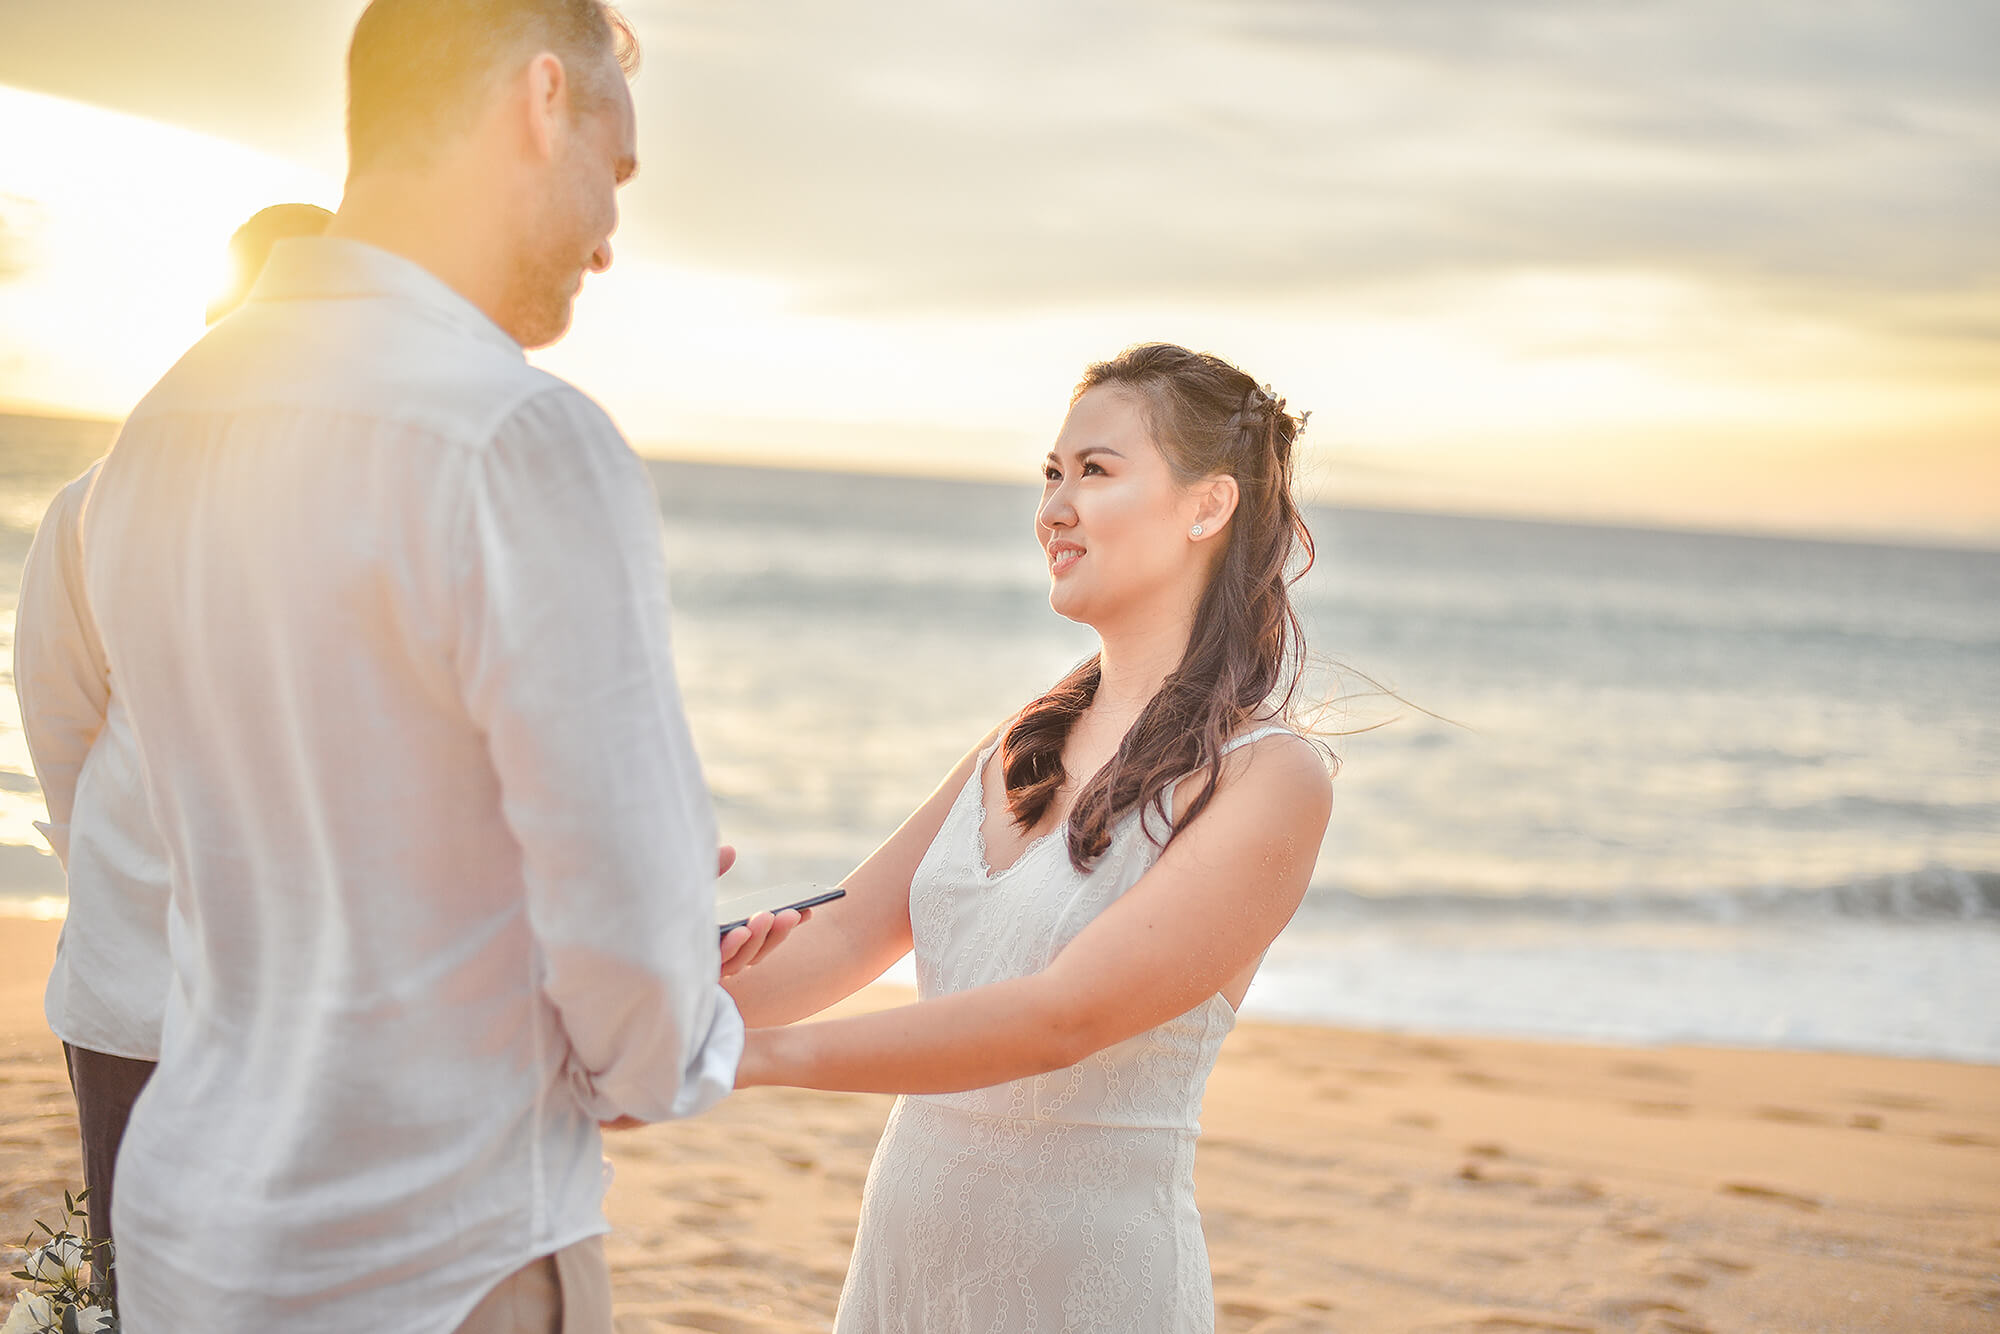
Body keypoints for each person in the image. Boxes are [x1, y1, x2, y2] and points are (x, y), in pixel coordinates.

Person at [77, 2, 800, 1329]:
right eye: (615, 166)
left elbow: (270, 828)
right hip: (436, 1247)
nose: (611, 233)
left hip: (193, 1231)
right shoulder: (521, 438)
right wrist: (673, 1032)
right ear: (539, 101)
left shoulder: (161, 428)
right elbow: (632, 955)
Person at [721, 342, 1335, 1331]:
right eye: (1049, 473)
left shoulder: (1267, 775)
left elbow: (1061, 1016)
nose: (1053, 505)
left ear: (1206, 505)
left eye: (1094, 471)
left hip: (1084, 1287)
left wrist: (742, 1059)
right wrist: (642, 998)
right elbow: (839, 936)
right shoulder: (1020, 740)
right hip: (904, 1274)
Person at [11, 198, 331, 1293]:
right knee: (141, 1287)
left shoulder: (373, 517)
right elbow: (59, 723)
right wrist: (129, 884)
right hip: (137, 994)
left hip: (311, 1013)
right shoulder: (93, 505)